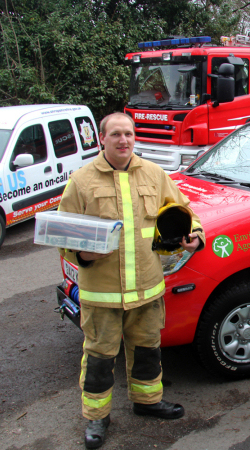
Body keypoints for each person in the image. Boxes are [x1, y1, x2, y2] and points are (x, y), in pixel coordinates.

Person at [57, 112, 205, 449]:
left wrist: (195, 234)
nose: (124, 140)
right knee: (98, 358)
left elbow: (185, 211)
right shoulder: (81, 181)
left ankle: (148, 402)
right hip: (102, 293)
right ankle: (97, 417)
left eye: (129, 134)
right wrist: (81, 255)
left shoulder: (154, 174)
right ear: (102, 140)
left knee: (147, 350)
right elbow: (63, 234)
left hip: (148, 289)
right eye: (116, 135)